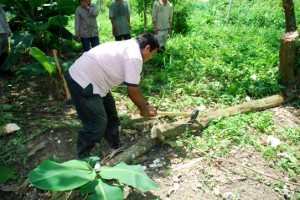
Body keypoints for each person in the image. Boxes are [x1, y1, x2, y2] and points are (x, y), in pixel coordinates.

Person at [66, 33, 159, 159]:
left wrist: (147, 106)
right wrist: (143, 109)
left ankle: (115, 147)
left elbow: (135, 88)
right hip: (83, 81)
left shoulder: (130, 46)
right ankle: (82, 157)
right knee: (97, 124)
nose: (150, 58)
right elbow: (132, 91)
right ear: (147, 48)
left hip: (97, 82)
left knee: (112, 116)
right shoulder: (134, 56)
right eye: (152, 54)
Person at [0, 5, 12, 73]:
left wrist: (8, 30)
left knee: (5, 51)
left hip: (3, 32)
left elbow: (3, 19)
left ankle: (5, 69)